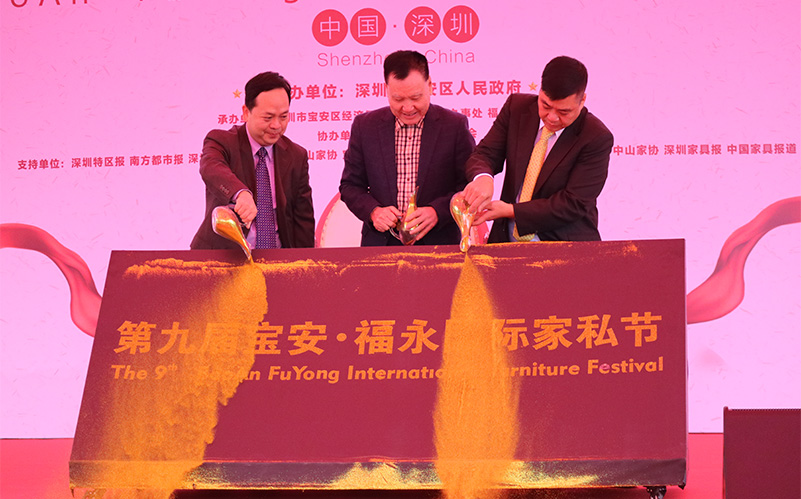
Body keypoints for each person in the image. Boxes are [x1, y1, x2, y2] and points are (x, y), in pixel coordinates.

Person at [461, 56, 613, 242]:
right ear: (540, 92)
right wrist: (483, 178)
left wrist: (511, 211)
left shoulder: (595, 137)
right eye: (545, 105)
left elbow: (574, 203)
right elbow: (485, 154)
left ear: (582, 101)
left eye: (563, 112)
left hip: (565, 244)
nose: (552, 117)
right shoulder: (516, 108)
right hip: (507, 240)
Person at [339, 50, 476, 246]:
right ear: (386, 89)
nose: (408, 107)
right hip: (381, 244)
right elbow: (350, 186)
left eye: (416, 97)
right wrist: (373, 212)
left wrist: (437, 212)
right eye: (398, 99)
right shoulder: (365, 126)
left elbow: (469, 186)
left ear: (430, 85)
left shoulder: (453, 126)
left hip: (439, 242)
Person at [191, 71, 314, 250]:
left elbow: (302, 220)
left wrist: (306, 261)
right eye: (268, 117)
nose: (276, 125)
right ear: (246, 112)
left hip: (277, 257)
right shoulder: (222, 141)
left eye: (283, 116)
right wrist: (240, 193)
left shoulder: (296, 155)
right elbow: (211, 168)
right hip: (224, 257)